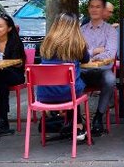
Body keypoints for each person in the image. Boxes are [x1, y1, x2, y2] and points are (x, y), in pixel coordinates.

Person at [38, 13, 90, 141]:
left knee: (71, 85)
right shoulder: (77, 44)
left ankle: (71, 124)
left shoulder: (46, 44)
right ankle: (78, 126)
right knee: (75, 86)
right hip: (69, 94)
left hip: (44, 95)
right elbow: (86, 59)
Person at [80, 0, 118, 135]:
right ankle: (76, 119)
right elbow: (77, 53)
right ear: (88, 9)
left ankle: (98, 116)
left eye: (98, 7)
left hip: (102, 71)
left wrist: (88, 54)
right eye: (92, 6)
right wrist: (95, 51)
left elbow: (110, 54)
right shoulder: (81, 30)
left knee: (110, 79)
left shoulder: (111, 30)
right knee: (71, 78)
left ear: (103, 10)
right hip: (83, 71)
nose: (94, 10)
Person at [0, 13, 26, 135]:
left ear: (9, 28)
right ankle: (2, 121)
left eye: (0, 26)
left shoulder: (15, 43)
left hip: (15, 75)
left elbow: (18, 63)